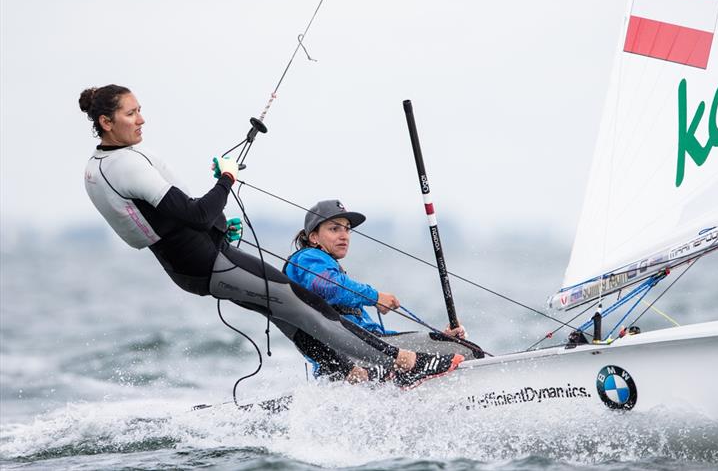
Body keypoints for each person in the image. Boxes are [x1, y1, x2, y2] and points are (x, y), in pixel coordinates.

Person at [80, 84, 464, 388]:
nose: (142, 119)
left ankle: (348, 374)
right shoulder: (127, 165)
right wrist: (226, 178)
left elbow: (163, 224)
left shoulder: (99, 168)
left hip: (192, 265)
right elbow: (196, 214)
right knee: (305, 304)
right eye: (131, 113)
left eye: (139, 110)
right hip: (208, 262)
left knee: (285, 312)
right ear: (106, 121)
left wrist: (219, 226)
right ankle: (407, 364)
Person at [285, 199, 476, 383]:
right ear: (314, 237)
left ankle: (399, 377)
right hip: (354, 355)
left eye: (347, 229)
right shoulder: (308, 257)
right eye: (335, 229)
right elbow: (329, 287)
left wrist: (441, 337)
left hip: (363, 352)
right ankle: (402, 377)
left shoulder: (322, 263)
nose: (344, 235)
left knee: (448, 343)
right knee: (467, 351)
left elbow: (376, 335)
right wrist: (375, 297)